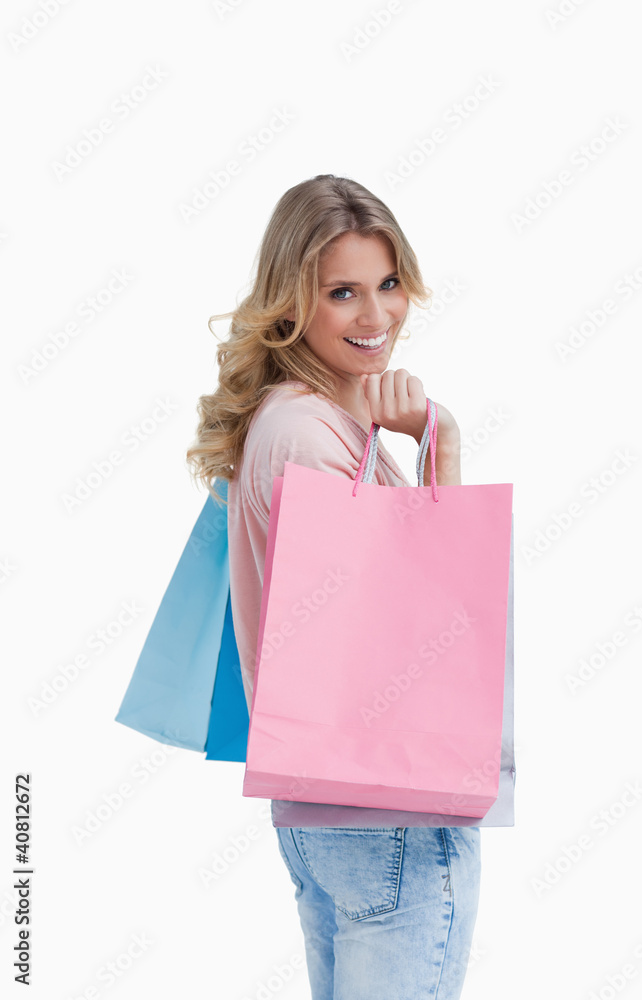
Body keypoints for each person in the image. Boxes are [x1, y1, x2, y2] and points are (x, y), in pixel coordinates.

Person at [186, 174, 481, 1000]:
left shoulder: (294, 418)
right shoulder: (314, 436)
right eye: (341, 293)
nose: (376, 316)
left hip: (322, 810)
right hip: (391, 809)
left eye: (387, 284)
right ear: (291, 304)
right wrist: (440, 449)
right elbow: (411, 626)